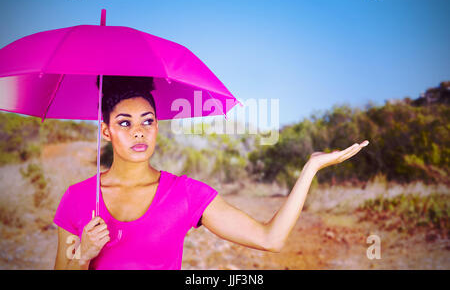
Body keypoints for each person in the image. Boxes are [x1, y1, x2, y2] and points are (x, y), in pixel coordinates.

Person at [53, 75, 369, 270]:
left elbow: (269, 238)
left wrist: (311, 168)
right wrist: (83, 254)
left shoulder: (185, 194)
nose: (138, 132)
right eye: (124, 123)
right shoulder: (79, 198)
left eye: (147, 121)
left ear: (157, 126)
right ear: (106, 131)